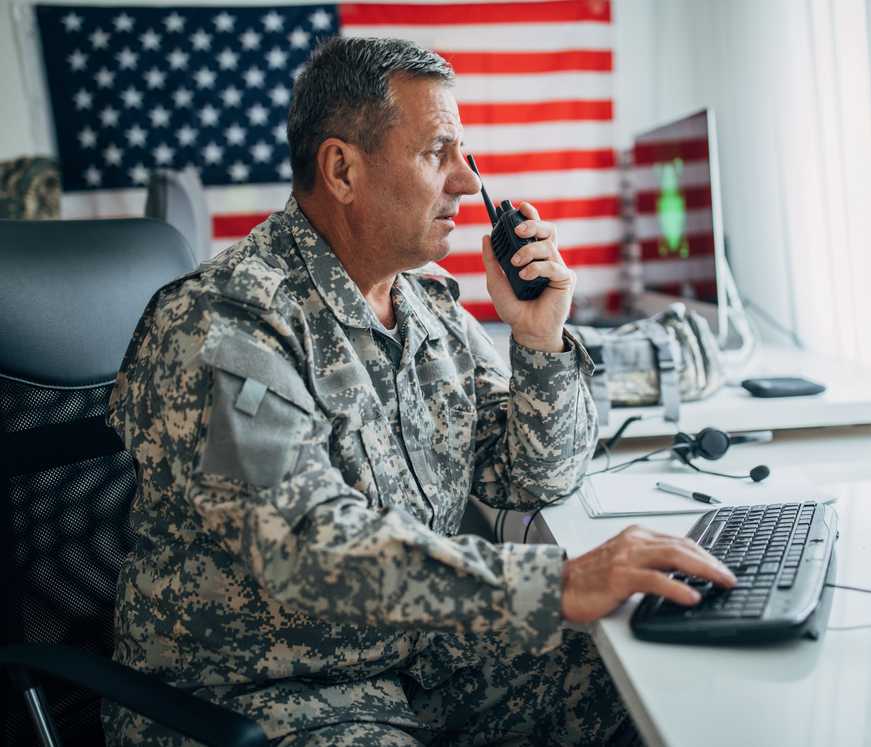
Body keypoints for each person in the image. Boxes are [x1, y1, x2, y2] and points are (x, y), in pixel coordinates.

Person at [103, 37, 735, 746]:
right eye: (438, 153)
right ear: (341, 169)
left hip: (416, 666)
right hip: (262, 700)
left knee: (648, 665)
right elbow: (305, 548)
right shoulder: (223, 324)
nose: (468, 182)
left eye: (466, 156)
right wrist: (556, 583)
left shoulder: (426, 307)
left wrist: (539, 341)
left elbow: (535, 473)